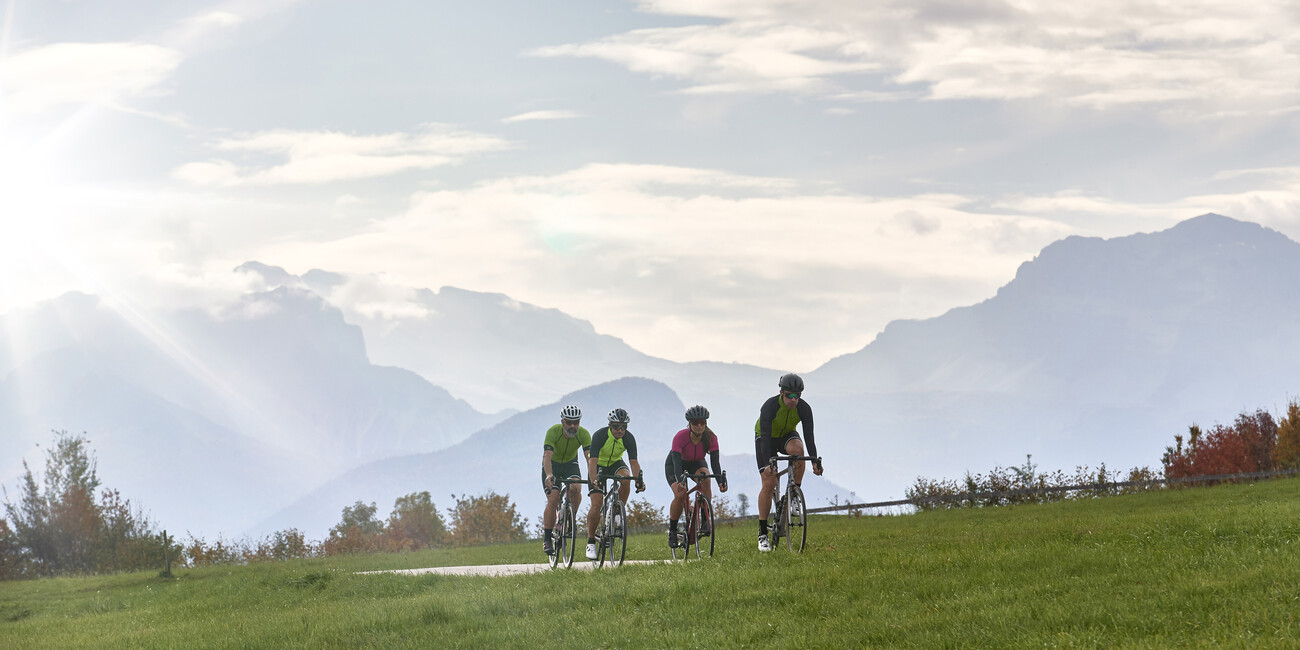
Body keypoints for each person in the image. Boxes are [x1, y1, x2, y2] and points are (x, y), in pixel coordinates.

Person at [754, 373, 822, 552]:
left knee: (799, 452)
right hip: (765, 438)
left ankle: (794, 495)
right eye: (789, 395)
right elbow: (766, 436)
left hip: (786, 435)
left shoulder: (804, 409)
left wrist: (814, 460)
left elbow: (809, 436)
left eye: (797, 396)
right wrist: (770, 463)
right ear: (781, 393)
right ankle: (762, 533)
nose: (793, 400)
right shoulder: (769, 406)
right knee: (769, 481)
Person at [585, 407, 645, 560]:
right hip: (598, 466)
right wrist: (594, 481)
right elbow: (592, 463)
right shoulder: (600, 435)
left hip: (615, 463)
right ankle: (591, 542)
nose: (620, 430)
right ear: (610, 425)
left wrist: (639, 480)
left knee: (626, 478)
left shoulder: (629, 438)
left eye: (624, 427)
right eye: (617, 426)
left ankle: (618, 511)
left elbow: (634, 462)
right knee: (596, 504)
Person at [665, 405, 727, 548]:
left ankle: (705, 518)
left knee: (706, 477)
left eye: (702, 422)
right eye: (695, 423)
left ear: (705, 423)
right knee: (680, 494)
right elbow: (676, 463)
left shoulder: (710, 437)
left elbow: (715, 463)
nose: (699, 426)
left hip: (696, 462)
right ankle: (673, 530)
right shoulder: (680, 437)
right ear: (690, 424)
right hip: (676, 464)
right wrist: (680, 480)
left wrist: (720, 481)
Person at [541, 405, 591, 557]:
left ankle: (569, 518)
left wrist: (594, 477)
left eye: (576, 422)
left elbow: (590, 459)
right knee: (553, 499)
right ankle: (547, 538)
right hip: (552, 466)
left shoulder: (583, 434)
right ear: (563, 422)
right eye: (569, 422)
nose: (573, 426)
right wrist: (549, 475)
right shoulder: (553, 432)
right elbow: (547, 456)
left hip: (571, 465)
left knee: (576, 488)